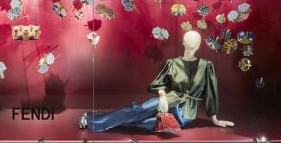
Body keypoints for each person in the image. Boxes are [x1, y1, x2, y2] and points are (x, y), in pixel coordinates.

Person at [79, 30, 234, 133]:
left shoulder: (206, 66)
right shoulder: (172, 63)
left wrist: (214, 118)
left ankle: (95, 119)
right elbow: (158, 83)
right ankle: (92, 120)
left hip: (187, 112)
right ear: (183, 43)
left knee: (148, 123)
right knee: (138, 111)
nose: (192, 44)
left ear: (199, 45)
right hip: (168, 98)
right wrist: (162, 95)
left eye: (195, 41)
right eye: (189, 40)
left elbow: (211, 93)